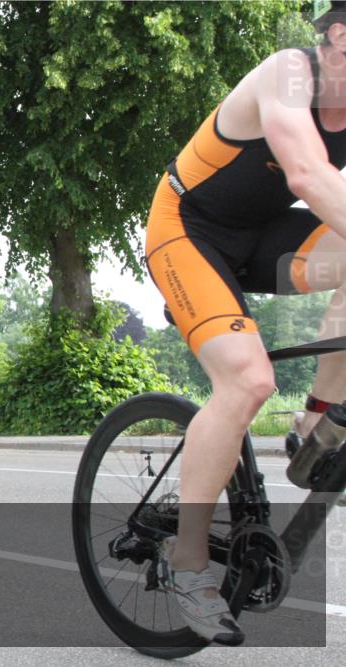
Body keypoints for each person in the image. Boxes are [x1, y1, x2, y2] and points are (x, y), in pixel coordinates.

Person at [144, 3, 346, 645]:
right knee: (247, 382)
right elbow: (309, 174)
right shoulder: (289, 72)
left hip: (262, 237)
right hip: (186, 227)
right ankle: (189, 562)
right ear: (334, 37)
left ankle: (316, 420)